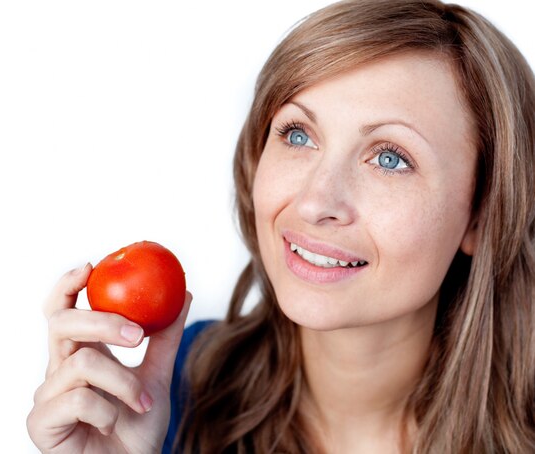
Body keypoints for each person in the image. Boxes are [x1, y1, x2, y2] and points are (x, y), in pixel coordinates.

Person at [27, 0, 535, 452]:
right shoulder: (162, 395)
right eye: (298, 134)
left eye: (390, 159)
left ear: (482, 212)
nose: (316, 201)